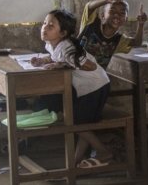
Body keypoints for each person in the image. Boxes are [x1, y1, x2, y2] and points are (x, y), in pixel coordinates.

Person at [31, 10, 114, 168]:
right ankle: (75, 162)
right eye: (45, 23)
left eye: (51, 25)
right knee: (82, 123)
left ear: (63, 33)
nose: (45, 28)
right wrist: (43, 60)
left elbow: (91, 66)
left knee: (77, 123)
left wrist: (63, 65)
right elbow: (54, 55)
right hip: (87, 87)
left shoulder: (68, 49)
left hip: (95, 86)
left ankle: (104, 151)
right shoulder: (52, 43)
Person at [78, 0, 148, 68]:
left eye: (122, 13)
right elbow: (89, 7)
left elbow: (137, 42)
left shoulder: (118, 40)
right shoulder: (91, 24)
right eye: (112, 11)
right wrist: (107, 0)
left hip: (95, 74)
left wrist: (141, 24)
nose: (117, 15)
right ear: (103, 15)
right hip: (74, 70)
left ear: (126, 19)